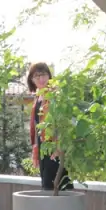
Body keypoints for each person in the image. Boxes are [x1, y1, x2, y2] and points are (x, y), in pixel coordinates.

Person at [27, 62, 73, 191]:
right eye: (37, 76)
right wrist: (35, 149)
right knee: (47, 184)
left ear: (49, 76)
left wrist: (59, 146)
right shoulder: (37, 98)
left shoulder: (55, 95)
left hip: (55, 146)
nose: (41, 79)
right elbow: (36, 127)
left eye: (44, 75)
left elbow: (63, 123)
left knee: (59, 184)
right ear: (32, 79)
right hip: (43, 148)